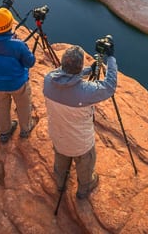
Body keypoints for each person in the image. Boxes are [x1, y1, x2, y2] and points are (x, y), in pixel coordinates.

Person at [42, 41, 117, 200]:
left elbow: (64, 75)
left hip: (58, 137)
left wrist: (89, 70)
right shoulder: (87, 92)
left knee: (61, 158)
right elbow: (109, 86)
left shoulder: (48, 81)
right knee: (85, 163)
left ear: (62, 64)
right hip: (81, 144)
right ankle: (85, 188)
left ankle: (61, 183)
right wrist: (110, 58)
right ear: (79, 67)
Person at [0, 8, 38, 143]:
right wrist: (21, 46)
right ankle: (25, 128)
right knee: (23, 105)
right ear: (10, 25)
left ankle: (4, 133)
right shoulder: (18, 46)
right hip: (18, 83)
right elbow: (30, 62)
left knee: (1, 106)